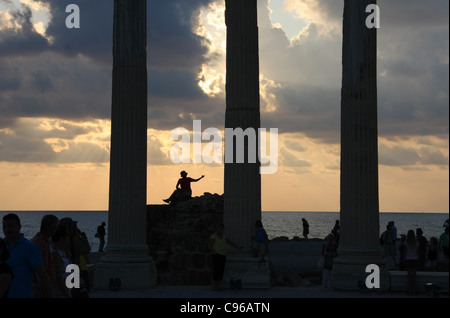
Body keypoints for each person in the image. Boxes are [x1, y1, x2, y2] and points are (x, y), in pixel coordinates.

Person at [2, 213, 53, 298]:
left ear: (19, 226)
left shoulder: (29, 248)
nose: (7, 229)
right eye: (4, 226)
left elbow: (43, 277)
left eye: (11, 226)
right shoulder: (2, 246)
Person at [58, 217, 91, 298]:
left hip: (65, 270)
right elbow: (87, 249)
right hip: (74, 269)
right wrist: (83, 238)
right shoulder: (73, 240)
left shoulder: (58, 240)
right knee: (79, 293)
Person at [30, 214, 59, 297]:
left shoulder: (39, 240)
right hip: (39, 288)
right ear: (52, 227)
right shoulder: (42, 244)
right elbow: (42, 272)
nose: (57, 230)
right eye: (56, 227)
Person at [208, 223, 241, 291]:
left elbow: (230, 242)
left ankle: (218, 286)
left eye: (221, 228)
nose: (220, 229)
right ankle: (215, 286)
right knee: (216, 271)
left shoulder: (223, 236)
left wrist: (237, 247)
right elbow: (210, 245)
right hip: (216, 255)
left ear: (223, 229)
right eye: (219, 228)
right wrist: (214, 252)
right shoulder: (214, 236)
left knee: (220, 271)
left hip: (223, 255)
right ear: (217, 229)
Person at [50, 227, 72, 298]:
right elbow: (58, 277)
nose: (69, 237)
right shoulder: (56, 254)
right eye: (67, 235)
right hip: (60, 293)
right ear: (61, 237)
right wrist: (67, 295)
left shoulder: (61, 251)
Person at [405, 229, 418, 295]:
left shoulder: (406, 243)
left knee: (409, 276)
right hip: (415, 259)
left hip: (408, 259)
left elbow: (405, 251)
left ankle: (410, 290)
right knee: (414, 276)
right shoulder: (416, 243)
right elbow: (417, 252)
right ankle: (414, 290)